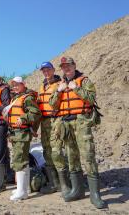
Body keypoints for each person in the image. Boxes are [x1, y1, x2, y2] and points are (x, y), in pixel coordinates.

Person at [49, 57, 106, 209]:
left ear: (74, 66)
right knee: (71, 157)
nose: (66, 68)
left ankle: (95, 195)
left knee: (88, 155)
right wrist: (59, 92)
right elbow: (52, 104)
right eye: (63, 66)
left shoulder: (84, 81)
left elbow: (92, 98)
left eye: (68, 65)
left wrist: (76, 88)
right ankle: (77, 190)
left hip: (81, 122)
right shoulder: (60, 84)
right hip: (66, 124)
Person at [6, 77, 41, 201]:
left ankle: (22, 191)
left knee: (20, 160)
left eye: (17, 85)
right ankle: (24, 188)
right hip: (15, 133)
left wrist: (23, 118)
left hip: (22, 133)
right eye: (13, 85)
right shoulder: (15, 98)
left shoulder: (28, 98)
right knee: (21, 160)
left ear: (23, 84)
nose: (15, 87)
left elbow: (36, 113)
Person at [36, 62, 62, 194]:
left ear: (53, 70)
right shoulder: (42, 86)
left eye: (48, 69)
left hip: (55, 120)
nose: (46, 72)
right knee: (47, 151)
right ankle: (54, 183)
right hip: (44, 122)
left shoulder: (60, 84)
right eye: (43, 70)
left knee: (56, 150)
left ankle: (64, 184)